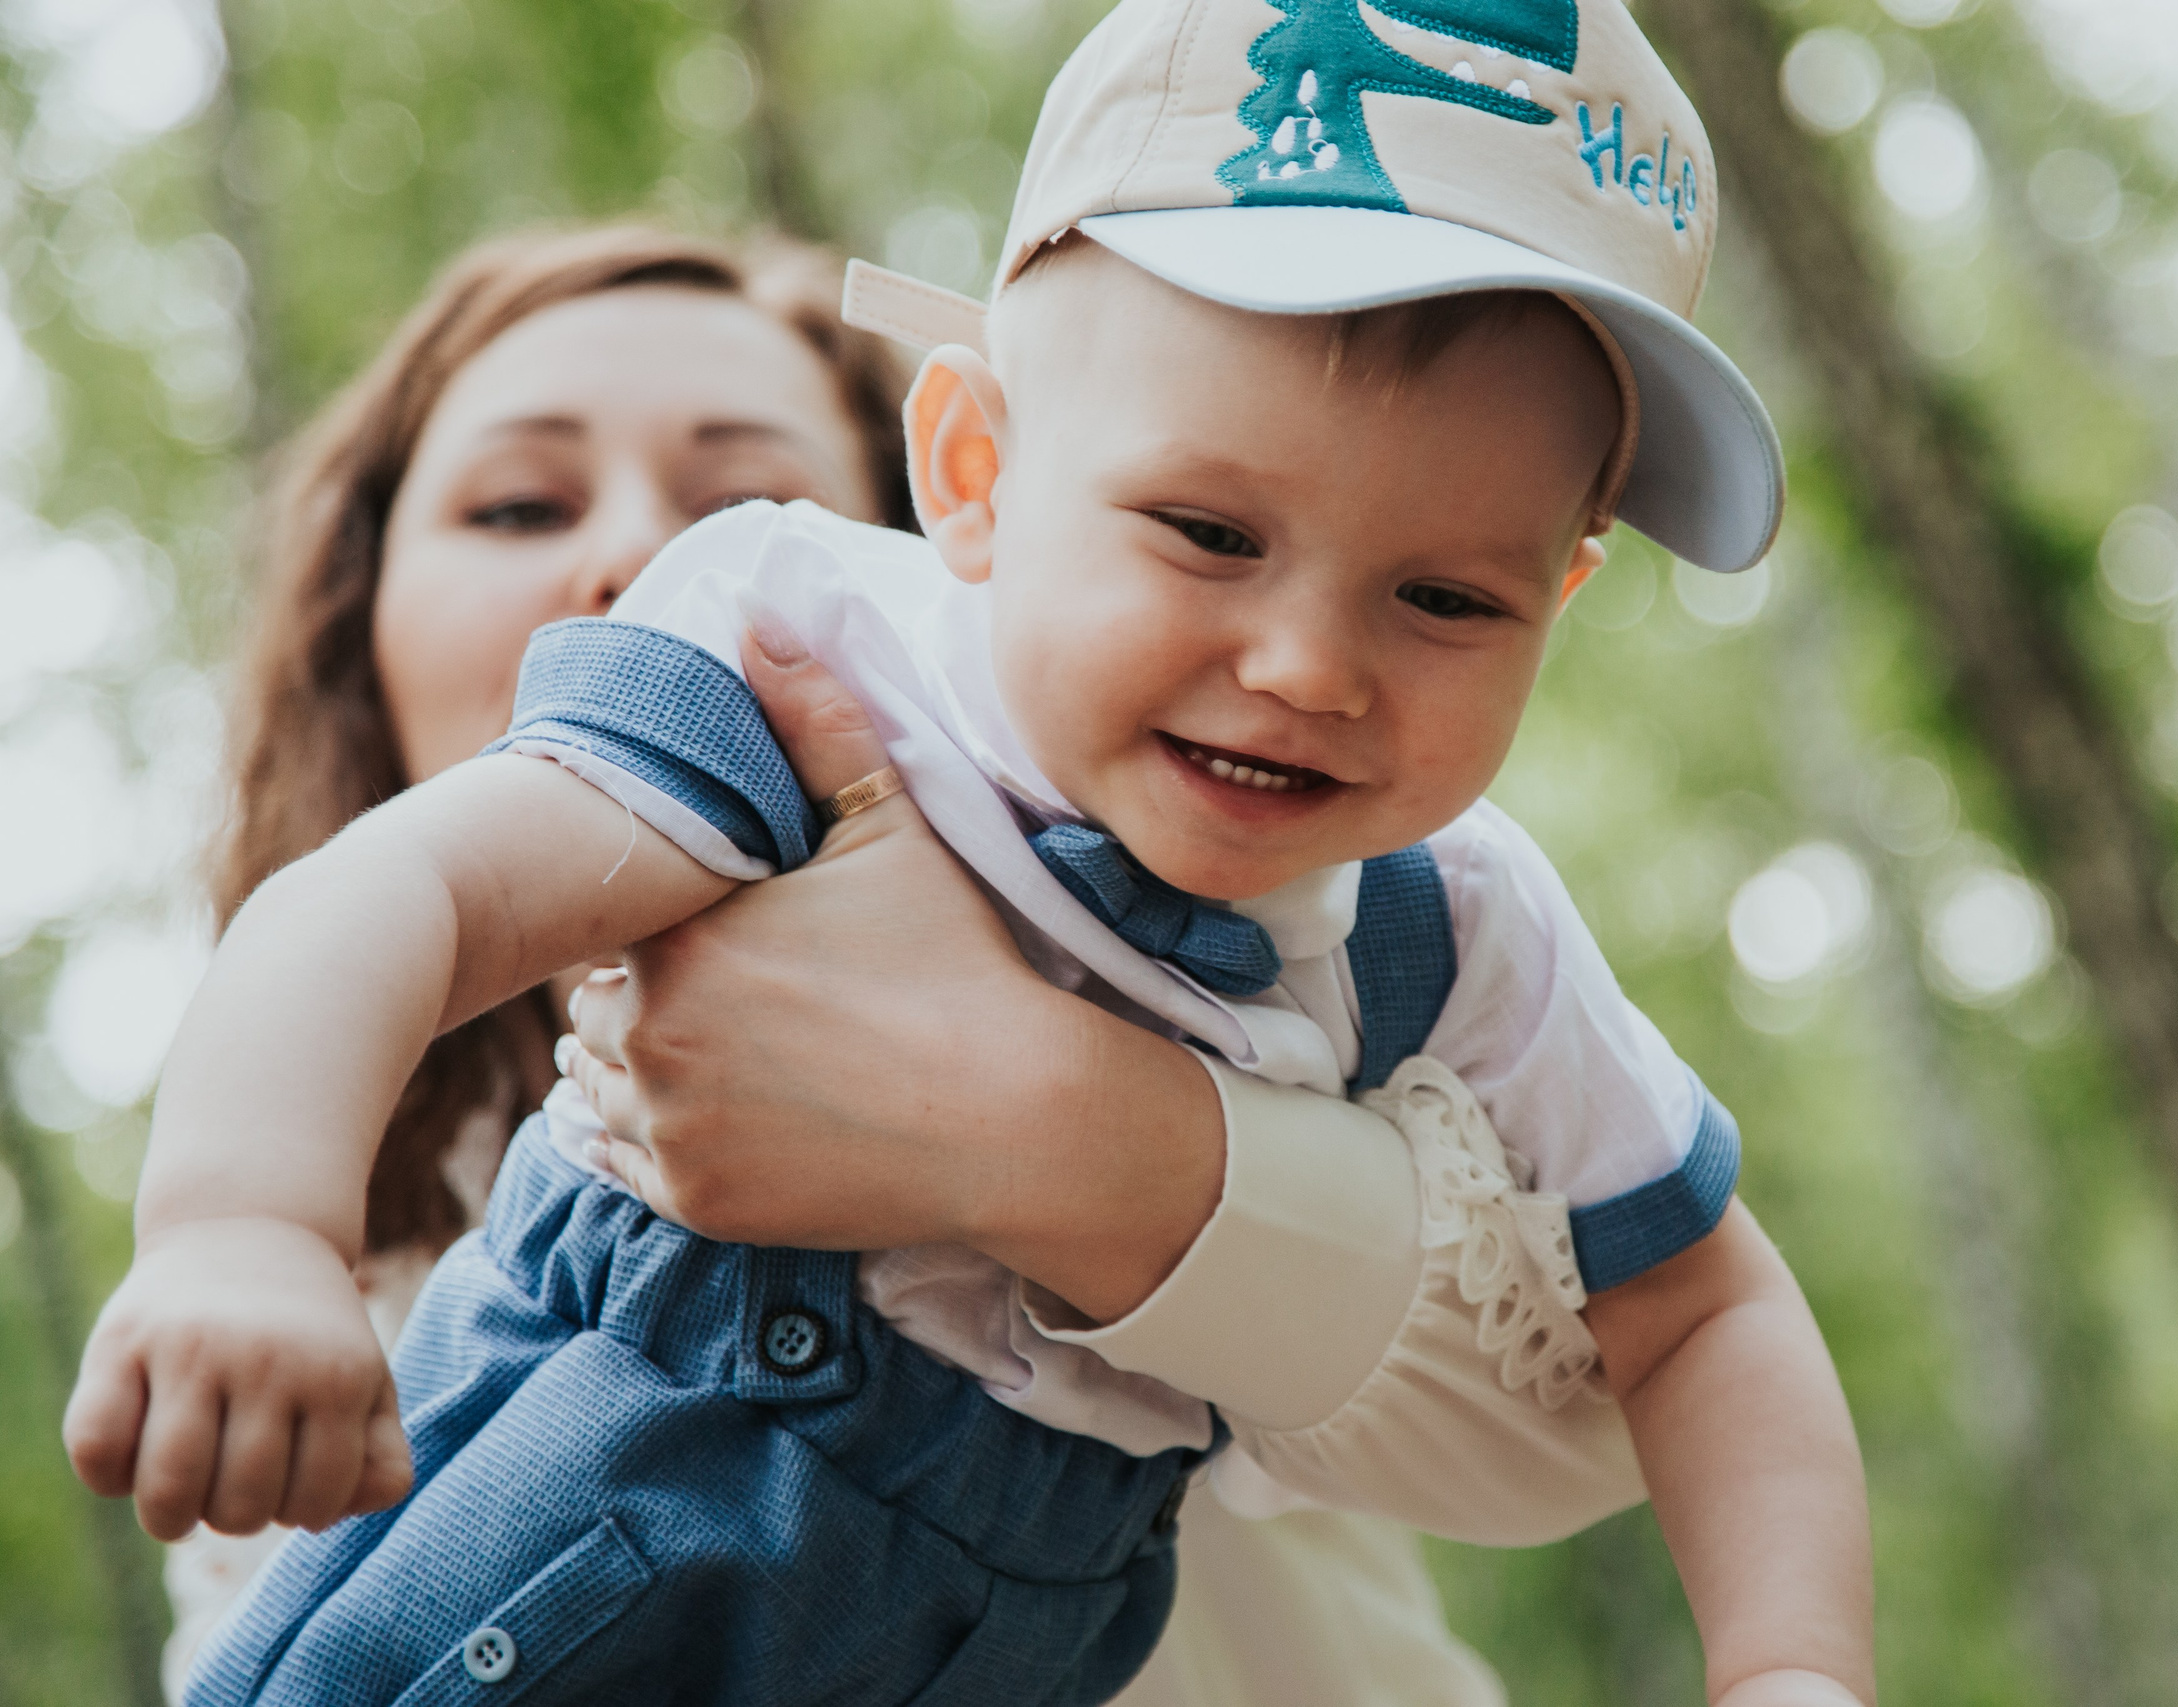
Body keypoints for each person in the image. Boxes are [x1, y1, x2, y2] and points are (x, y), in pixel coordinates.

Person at [81, 0, 1873, 1699]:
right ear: (970, 477)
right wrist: (243, 1228)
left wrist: (1789, 1663)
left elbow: (1696, 1311)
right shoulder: (809, 672)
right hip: (581, 1524)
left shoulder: (1454, 933)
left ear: (1566, 587)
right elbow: (409, 886)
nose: (1314, 668)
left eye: (1447, 596)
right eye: (1206, 530)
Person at [146, 222, 1547, 1705]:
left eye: (753, 502)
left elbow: (1572, 1409)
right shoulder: (317, 1268)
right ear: (360, 626)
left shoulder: (1296, 975)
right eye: (516, 504)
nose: (634, 553)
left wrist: (1031, 1114)